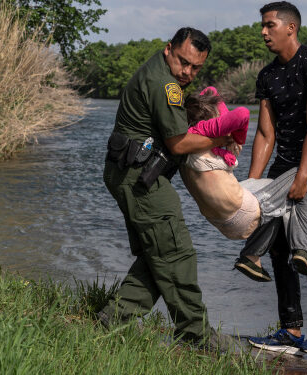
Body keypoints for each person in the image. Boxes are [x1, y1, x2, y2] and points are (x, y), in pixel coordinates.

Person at [97, 27, 234, 346]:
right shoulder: (165, 84)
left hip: (129, 171)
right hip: (138, 177)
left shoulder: (158, 71)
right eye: (183, 62)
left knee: (158, 252)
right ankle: (196, 336)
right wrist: (221, 139)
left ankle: (113, 319)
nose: (187, 72)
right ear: (168, 49)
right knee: (176, 252)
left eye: (196, 67)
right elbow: (178, 142)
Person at [244, 2, 307, 355]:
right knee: (278, 246)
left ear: (291, 28)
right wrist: (251, 186)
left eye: (269, 25)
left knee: (306, 241)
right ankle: (290, 330)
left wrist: (303, 176)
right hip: (283, 168)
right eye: (263, 25)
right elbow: (265, 135)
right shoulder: (268, 75)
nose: (263, 31)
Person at [179, 87, 307, 282]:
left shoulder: (186, 143)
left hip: (219, 220)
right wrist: (236, 137)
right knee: (302, 178)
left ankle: (251, 258)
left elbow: (211, 91)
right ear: (213, 123)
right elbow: (242, 114)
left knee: (272, 190)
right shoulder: (207, 135)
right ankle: (302, 249)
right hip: (241, 214)